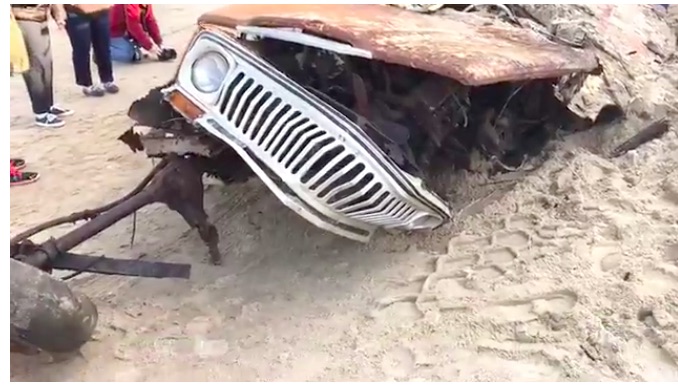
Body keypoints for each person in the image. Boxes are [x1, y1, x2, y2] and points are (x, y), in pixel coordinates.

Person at [11, 4, 73, 128]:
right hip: (25, 18)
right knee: (36, 66)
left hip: (41, 17)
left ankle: (48, 105)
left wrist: (59, 17)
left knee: (46, 64)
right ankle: (41, 113)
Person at [64, 5, 119, 97]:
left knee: (103, 46)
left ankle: (107, 79)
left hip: (100, 9)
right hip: (76, 12)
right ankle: (86, 84)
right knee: (82, 48)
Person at [109, 4, 176, 63]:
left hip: (125, 32)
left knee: (139, 47)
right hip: (111, 33)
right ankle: (101, 49)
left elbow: (150, 21)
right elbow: (133, 26)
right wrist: (150, 47)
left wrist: (159, 43)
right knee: (129, 55)